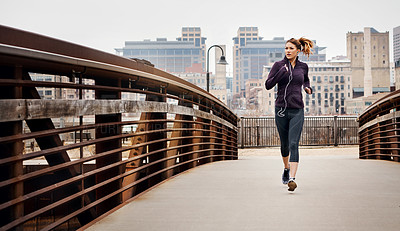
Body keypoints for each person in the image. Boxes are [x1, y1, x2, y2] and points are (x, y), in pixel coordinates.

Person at [265, 37, 313, 192]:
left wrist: (307, 88)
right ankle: (286, 168)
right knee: (285, 144)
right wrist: (281, 73)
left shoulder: (303, 66)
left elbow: (305, 81)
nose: (288, 51)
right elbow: (268, 85)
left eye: (291, 48)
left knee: (294, 143)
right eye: (286, 48)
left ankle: (292, 178)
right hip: (281, 109)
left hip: (297, 109)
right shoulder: (278, 65)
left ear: (297, 50)